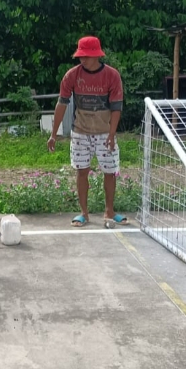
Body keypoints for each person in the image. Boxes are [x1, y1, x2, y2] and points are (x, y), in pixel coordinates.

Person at [46, 35, 129, 228]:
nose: (82, 59)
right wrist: (53, 134)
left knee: (110, 171)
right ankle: (84, 213)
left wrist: (112, 134)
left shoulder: (111, 75)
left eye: (86, 56)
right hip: (80, 132)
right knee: (81, 171)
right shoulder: (72, 75)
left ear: (96, 55)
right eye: (80, 56)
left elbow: (116, 107)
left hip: (104, 132)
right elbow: (62, 103)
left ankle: (109, 211)